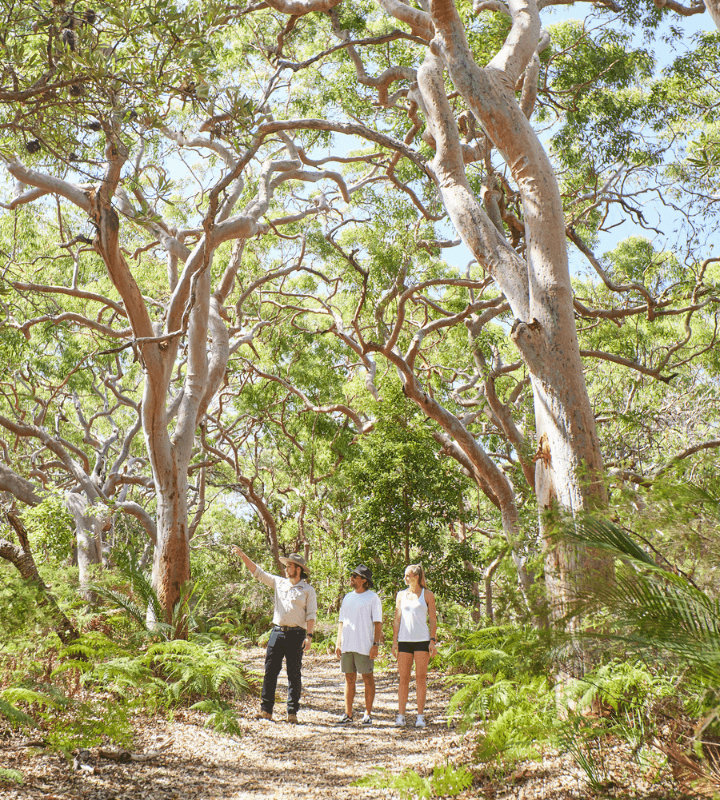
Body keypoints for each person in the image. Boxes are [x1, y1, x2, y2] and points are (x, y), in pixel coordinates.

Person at [233, 547, 317, 724]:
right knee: (270, 671)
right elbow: (258, 572)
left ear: (298, 569)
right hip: (277, 632)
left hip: (297, 635)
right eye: (286, 566)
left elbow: (311, 615)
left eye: (289, 566)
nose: (286, 569)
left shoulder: (308, 590)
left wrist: (309, 636)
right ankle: (266, 710)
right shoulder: (279, 583)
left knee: (294, 673)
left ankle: (292, 712)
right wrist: (243, 555)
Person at [334, 564, 383, 725]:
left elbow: (377, 623)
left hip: (365, 645)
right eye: (352, 575)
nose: (352, 578)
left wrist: (375, 644)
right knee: (349, 678)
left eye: (355, 576)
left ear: (364, 580)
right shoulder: (347, 597)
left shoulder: (372, 598)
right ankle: (348, 714)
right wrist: (338, 641)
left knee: (367, 678)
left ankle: (367, 714)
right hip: (348, 644)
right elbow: (341, 621)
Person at [391, 563, 438, 728]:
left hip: (422, 640)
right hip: (404, 641)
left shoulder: (428, 595)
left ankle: (420, 716)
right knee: (403, 678)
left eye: (407, 575)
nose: (405, 578)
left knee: (420, 678)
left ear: (416, 577)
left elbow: (432, 618)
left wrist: (433, 640)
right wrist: (394, 641)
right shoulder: (400, 595)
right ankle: (401, 715)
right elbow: (397, 619)